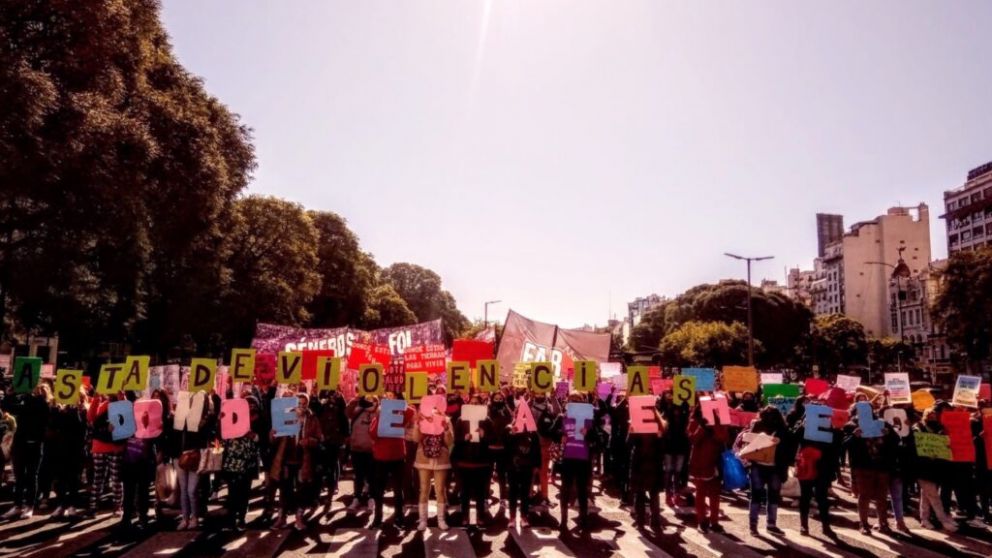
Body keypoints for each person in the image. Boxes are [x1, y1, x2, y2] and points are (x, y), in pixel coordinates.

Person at [269, 392, 321, 530]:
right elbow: (274, 440)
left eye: (304, 404)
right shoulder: (285, 416)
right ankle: (282, 517)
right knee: (285, 490)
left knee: (302, 490)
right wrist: (273, 434)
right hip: (286, 460)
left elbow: (319, 438)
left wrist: (309, 441)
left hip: (303, 460)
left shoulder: (312, 418)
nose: (301, 407)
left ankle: (299, 517)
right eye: (299, 404)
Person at [844, 403, 898, 535]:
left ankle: (883, 523)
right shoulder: (851, 425)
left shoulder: (882, 423)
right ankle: (863, 524)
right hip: (863, 466)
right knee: (864, 496)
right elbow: (844, 445)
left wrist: (889, 435)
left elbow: (896, 441)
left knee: (882, 497)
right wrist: (854, 436)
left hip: (881, 465)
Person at [1, 383, 51, 520]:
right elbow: (8, 408)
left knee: (31, 476)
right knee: (19, 478)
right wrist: (10, 395)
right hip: (20, 444)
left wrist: (26, 396)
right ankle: (17, 505)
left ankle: (29, 506)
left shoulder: (43, 406)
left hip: (34, 444)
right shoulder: (24, 402)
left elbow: (39, 410)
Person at [740, 405, 789, 535]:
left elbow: (748, 443)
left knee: (756, 496)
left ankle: (753, 526)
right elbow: (787, 451)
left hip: (758, 466)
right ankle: (771, 524)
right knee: (773, 497)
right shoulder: (782, 429)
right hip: (774, 468)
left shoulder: (758, 425)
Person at [793, 409, 840, 537]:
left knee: (822, 498)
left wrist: (833, 471)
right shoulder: (804, 429)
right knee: (805, 497)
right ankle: (804, 525)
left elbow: (835, 450)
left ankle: (825, 525)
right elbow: (793, 440)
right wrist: (801, 426)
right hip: (807, 466)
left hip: (823, 469)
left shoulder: (830, 430)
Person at [911, 406, 958, 532]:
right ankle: (943, 521)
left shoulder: (940, 428)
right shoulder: (918, 428)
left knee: (926, 495)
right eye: (929, 414)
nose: (932, 417)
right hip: (922, 467)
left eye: (934, 415)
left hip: (936, 467)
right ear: (925, 415)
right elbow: (916, 443)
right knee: (934, 496)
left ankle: (924, 519)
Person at [368, 392, 410, 528]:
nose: (389, 399)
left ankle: (399, 517)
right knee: (379, 490)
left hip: (397, 456)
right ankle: (378, 517)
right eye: (387, 397)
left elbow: (412, 412)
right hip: (382, 457)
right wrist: (381, 415)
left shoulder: (402, 412)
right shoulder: (380, 414)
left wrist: (399, 406)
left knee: (398, 490)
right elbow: (373, 433)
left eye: (392, 397)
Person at [119, 396, 160, 534]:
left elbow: (156, 438)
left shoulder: (150, 423)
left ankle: (143, 517)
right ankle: (127, 518)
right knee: (129, 492)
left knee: (143, 491)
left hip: (144, 462)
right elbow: (119, 434)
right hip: (129, 461)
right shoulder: (128, 422)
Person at [451, 394, 493, 528]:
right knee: (465, 492)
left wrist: (484, 435)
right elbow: (455, 440)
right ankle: (465, 516)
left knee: (480, 493)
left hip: (482, 461)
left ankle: (480, 516)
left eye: (477, 403)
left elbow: (493, 440)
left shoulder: (487, 421)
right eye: (472, 402)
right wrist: (464, 438)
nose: (474, 405)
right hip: (465, 461)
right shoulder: (460, 420)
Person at [412, 398, 454, 531]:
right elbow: (415, 439)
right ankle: (423, 520)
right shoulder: (422, 420)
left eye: (437, 407)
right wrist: (417, 425)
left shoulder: (446, 420)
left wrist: (446, 429)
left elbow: (450, 442)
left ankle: (441, 520)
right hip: (423, 458)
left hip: (441, 459)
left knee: (440, 490)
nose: (434, 410)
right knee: (424, 489)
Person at [175, 391, 214, 530]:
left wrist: (206, 420)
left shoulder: (205, 420)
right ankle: (185, 518)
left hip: (195, 456)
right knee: (184, 489)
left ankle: (195, 517)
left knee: (192, 490)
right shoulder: (179, 418)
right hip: (180, 456)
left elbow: (210, 435)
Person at [222, 395, 261, 531]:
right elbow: (223, 437)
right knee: (233, 492)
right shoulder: (231, 418)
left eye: (252, 405)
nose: (250, 407)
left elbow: (261, 440)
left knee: (244, 493)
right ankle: (231, 520)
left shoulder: (257, 421)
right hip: (232, 462)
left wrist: (254, 436)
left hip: (247, 462)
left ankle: (241, 518)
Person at [688, 404, 728, 533]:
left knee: (715, 494)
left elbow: (723, 437)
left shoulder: (719, 421)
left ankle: (714, 521)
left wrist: (714, 425)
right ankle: (702, 521)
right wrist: (703, 427)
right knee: (701, 493)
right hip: (700, 462)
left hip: (715, 462)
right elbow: (692, 439)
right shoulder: (694, 421)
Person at [558, 393, 593, 534]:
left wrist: (588, 433)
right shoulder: (563, 417)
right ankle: (563, 519)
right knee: (565, 490)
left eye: (577, 400)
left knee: (582, 490)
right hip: (568, 458)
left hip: (583, 458)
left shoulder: (588, 418)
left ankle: (583, 519)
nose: (574, 403)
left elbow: (599, 435)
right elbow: (553, 430)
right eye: (571, 400)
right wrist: (561, 436)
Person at [629, 404, 667, 530]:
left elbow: (629, 444)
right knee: (653, 494)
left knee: (641, 494)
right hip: (652, 463)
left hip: (642, 463)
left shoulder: (653, 426)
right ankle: (654, 522)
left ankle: (642, 522)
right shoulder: (659, 425)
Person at [87, 392, 124, 517]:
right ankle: (94, 506)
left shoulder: (120, 404)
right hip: (101, 447)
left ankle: (116, 506)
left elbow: (125, 420)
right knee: (99, 478)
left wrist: (121, 399)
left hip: (114, 447)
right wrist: (96, 398)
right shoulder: (104, 405)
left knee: (115, 479)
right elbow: (91, 418)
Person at [313, 388, 348, 515]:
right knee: (318, 469)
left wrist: (345, 436)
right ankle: (316, 496)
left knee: (332, 467)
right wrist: (315, 396)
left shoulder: (338, 396)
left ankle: (330, 494)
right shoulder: (320, 394)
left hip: (334, 439)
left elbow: (344, 414)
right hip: (320, 437)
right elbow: (315, 410)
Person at [506, 414, 541, 527]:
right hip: (512, 467)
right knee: (512, 492)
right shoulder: (510, 431)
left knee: (525, 493)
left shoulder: (533, 433)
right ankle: (512, 517)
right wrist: (511, 434)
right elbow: (505, 447)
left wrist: (536, 466)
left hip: (527, 467)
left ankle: (524, 516)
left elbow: (537, 450)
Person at [346, 395, 376, 513]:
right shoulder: (357, 409)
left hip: (372, 450)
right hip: (357, 448)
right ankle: (357, 497)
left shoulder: (378, 412)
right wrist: (357, 400)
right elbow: (347, 412)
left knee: (372, 476)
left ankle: (371, 498)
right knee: (358, 476)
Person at [660, 392, 690, 508]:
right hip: (669, 446)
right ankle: (668, 495)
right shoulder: (666, 411)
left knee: (677, 473)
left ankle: (676, 495)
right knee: (668, 471)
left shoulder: (684, 412)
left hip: (681, 446)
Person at [487, 392, 513, 518]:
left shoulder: (507, 411)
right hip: (490, 448)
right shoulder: (487, 410)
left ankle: (503, 499)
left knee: (502, 476)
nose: (498, 400)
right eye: (495, 399)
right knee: (487, 474)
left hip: (503, 448)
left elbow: (511, 423)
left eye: (500, 398)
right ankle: (486, 498)